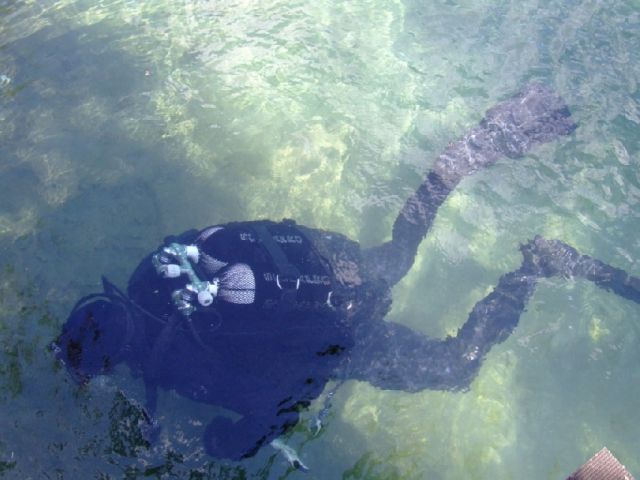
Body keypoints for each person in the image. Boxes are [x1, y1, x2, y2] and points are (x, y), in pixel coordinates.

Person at [53, 83, 640, 466]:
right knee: (398, 255)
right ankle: (454, 163)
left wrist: (223, 446)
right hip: (325, 263)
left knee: (456, 367)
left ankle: (535, 267)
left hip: (340, 329)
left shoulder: (180, 363)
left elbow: (276, 406)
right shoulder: (148, 278)